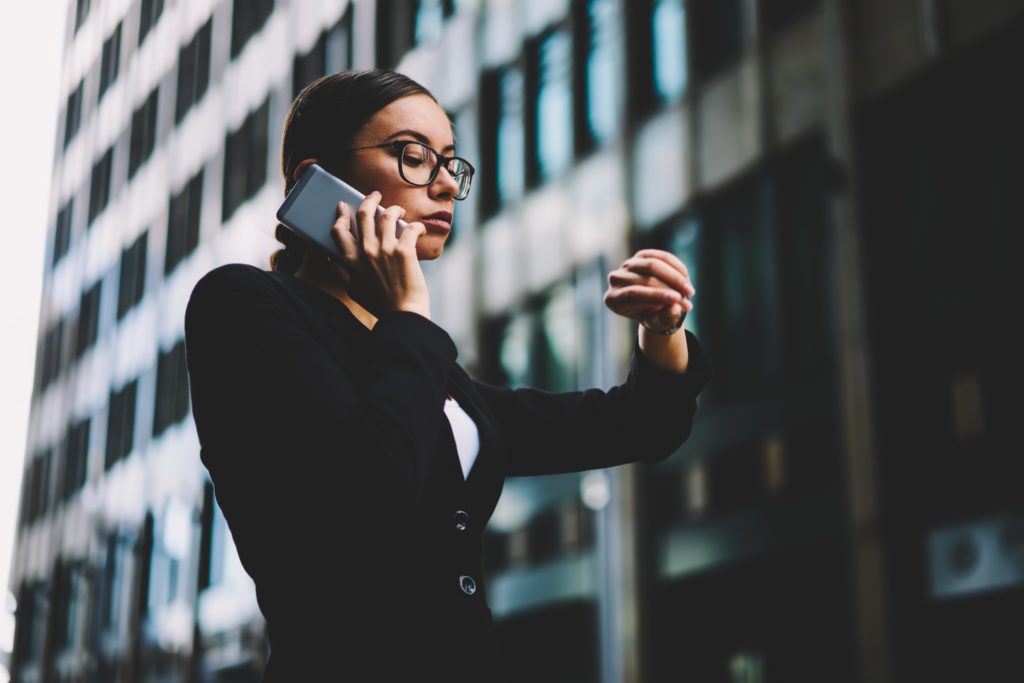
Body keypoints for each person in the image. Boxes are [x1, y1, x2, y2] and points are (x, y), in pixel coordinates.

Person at [184, 68, 710, 682]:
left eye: (451, 164)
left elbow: (637, 427)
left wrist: (662, 327)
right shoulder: (242, 305)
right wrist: (407, 310)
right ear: (315, 180)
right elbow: (372, 483)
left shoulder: (429, 373)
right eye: (412, 156)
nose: (444, 185)